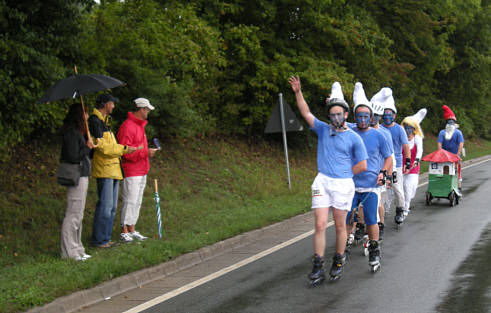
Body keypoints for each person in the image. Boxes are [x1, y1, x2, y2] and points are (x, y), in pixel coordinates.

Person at [289, 76, 367, 283]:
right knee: (320, 224)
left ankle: (338, 260)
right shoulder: (323, 130)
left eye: (339, 114)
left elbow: (363, 165)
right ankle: (317, 265)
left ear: (346, 114)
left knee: (340, 225)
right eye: (332, 115)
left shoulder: (354, 137)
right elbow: (305, 112)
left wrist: (346, 173)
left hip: (342, 184)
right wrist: (298, 92)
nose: (335, 118)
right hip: (322, 182)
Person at [345, 82, 392, 272]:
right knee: (347, 219)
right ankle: (343, 248)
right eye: (359, 116)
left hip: (371, 185)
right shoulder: (348, 130)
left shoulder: (379, 135)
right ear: (355, 117)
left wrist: (383, 173)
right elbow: (333, 120)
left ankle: (374, 249)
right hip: (350, 185)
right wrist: (332, 104)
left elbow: (388, 158)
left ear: (371, 117)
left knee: (371, 219)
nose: (363, 119)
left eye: (366, 116)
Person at [89, 93, 139, 248]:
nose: (113, 106)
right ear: (105, 104)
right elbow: (103, 147)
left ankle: (106, 238)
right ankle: (99, 240)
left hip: (114, 169)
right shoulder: (94, 121)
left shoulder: (105, 122)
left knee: (111, 208)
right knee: (105, 206)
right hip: (104, 169)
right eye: (112, 103)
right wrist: (124, 149)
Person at [117, 98, 158, 242]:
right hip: (132, 169)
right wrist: (145, 153)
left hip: (141, 168)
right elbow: (125, 151)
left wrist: (146, 152)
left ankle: (132, 227)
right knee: (130, 199)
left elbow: (140, 148)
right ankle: (124, 230)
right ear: (141, 109)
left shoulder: (140, 126)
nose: (148, 112)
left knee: (137, 200)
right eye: (147, 109)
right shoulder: (128, 126)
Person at [60, 102, 96, 261]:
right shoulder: (71, 133)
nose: (87, 116)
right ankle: (69, 252)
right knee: (73, 213)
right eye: (85, 113)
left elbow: (84, 154)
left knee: (79, 214)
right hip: (76, 175)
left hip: (83, 174)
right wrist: (87, 147)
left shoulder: (80, 133)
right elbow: (73, 156)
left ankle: (78, 248)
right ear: (80, 115)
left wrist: (90, 147)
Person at [368, 88, 396, 241]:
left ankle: (381, 224)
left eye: (376, 116)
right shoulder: (362, 129)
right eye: (372, 116)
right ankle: (359, 227)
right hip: (365, 172)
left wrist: (388, 176)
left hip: (380, 171)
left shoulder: (385, 133)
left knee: (378, 202)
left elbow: (389, 157)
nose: (373, 119)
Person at [380, 88, 411, 224]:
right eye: (385, 114)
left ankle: (400, 210)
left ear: (394, 115)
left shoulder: (399, 129)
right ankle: (380, 212)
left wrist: (408, 162)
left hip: (396, 162)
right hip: (382, 163)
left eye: (389, 114)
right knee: (382, 190)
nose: (387, 116)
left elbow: (405, 146)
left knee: (397, 188)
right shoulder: (379, 128)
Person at [401, 108, 427, 216]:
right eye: (406, 128)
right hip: (401, 167)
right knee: (397, 189)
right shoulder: (401, 137)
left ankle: (406, 207)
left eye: (410, 128)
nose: (407, 130)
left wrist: (416, 160)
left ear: (414, 129)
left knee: (409, 188)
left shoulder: (417, 138)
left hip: (413, 167)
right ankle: (401, 208)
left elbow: (420, 150)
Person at [437, 105, 464, 191]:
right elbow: (439, 144)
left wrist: (457, 155)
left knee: (455, 171)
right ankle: (450, 187)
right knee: (447, 170)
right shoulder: (443, 132)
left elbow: (461, 143)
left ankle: (458, 187)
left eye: (451, 122)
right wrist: (441, 153)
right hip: (446, 156)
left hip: (454, 155)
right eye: (449, 121)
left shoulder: (457, 132)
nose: (450, 123)